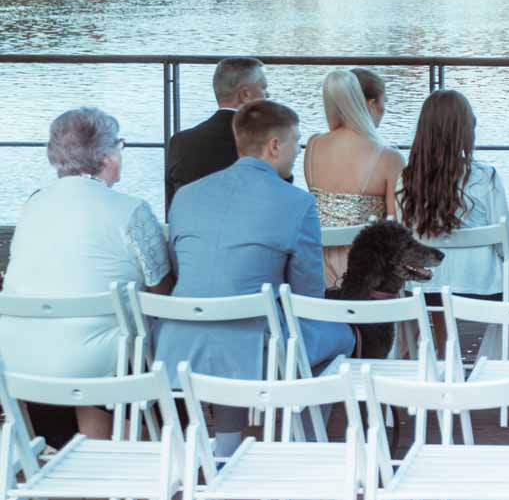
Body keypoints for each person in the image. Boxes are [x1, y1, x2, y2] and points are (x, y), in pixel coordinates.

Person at [156, 100, 353, 456]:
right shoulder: (297, 203)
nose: (297, 153)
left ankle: (228, 445)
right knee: (341, 336)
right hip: (256, 352)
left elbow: (184, 269)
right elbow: (308, 296)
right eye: (295, 143)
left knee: (232, 325)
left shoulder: (185, 197)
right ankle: (302, 443)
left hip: (176, 347)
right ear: (274, 145)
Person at [1, 108, 172, 440]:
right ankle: (136, 451)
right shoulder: (131, 211)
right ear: (107, 157)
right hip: (99, 366)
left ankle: (74, 455)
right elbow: (161, 293)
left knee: (87, 336)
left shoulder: (33, 205)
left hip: (20, 360)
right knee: (134, 336)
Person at [397, 89, 509, 300]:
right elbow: (506, 243)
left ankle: (441, 335)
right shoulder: (486, 177)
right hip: (482, 284)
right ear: (466, 130)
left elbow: (402, 236)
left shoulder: (407, 179)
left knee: (436, 285)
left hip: (425, 286)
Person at [304, 68, 402, 288]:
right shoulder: (389, 157)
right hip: (367, 273)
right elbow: (395, 225)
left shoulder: (313, 145)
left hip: (317, 269)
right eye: (384, 101)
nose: (385, 108)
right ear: (370, 104)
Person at [164, 56, 268, 211]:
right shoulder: (262, 142)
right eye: (264, 88)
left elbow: (172, 205)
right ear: (245, 94)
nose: (268, 95)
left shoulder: (180, 142)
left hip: (190, 231)